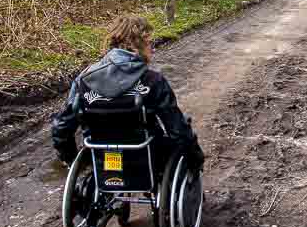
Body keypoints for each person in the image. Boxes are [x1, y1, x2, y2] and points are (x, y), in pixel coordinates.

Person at [50, 15, 205, 171]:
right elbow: (177, 130)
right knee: (178, 140)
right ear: (139, 43)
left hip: (104, 161)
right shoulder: (152, 81)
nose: (152, 48)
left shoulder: (83, 80)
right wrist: (195, 159)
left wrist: (71, 159)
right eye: (149, 42)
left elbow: (61, 127)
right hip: (149, 160)